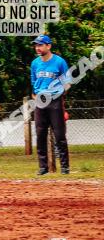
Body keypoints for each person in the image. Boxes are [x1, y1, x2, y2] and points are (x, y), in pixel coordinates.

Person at [31, 34, 70, 175]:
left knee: (59, 135)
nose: (38, 48)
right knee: (40, 135)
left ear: (49, 46)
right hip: (40, 103)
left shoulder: (59, 62)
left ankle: (65, 167)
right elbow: (33, 83)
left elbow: (67, 83)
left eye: (41, 45)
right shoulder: (35, 63)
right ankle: (43, 167)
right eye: (36, 45)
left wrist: (58, 95)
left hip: (55, 102)